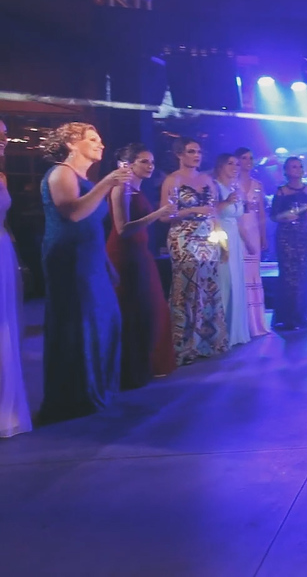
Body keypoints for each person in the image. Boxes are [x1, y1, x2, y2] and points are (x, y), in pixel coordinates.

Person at [38, 122, 132, 422]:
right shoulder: (61, 173)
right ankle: (76, 396)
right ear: (71, 144)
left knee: (105, 320)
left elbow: (92, 226)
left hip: (91, 261)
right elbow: (74, 213)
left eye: (100, 139)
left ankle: (98, 389)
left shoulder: (85, 179)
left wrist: (105, 262)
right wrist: (107, 183)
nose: (100, 144)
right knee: (78, 323)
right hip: (70, 260)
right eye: (92, 139)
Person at [106, 143, 176, 388]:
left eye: (152, 162)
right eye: (144, 161)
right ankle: (131, 370)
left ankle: (147, 365)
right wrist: (159, 213)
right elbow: (123, 229)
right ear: (129, 164)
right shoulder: (121, 189)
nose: (150, 166)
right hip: (126, 254)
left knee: (150, 307)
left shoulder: (136, 189)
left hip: (140, 252)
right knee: (133, 308)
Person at [162, 138, 228, 364]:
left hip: (207, 239)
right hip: (183, 238)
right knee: (187, 290)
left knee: (209, 287)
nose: (197, 155)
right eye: (191, 151)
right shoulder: (172, 180)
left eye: (199, 151)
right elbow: (164, 216)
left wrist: (221, 241)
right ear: (179, 154)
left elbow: (214, 212)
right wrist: (192, 210)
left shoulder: (208, 179)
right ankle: (183, 345)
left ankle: (207, 342)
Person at [1, 119, 32, 437]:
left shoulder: (2, 176)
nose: (3, 140)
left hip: (3, 253)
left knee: (5, 326)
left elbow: (5, 222)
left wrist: (19, 259)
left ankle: (5, 409)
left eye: (5, 135)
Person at [270, 157, 307, 330]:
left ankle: (303, 315)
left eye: (300, 166)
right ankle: (288, 317)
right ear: (286, 171)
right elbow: (273, 216)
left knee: (305, 273)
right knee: (289, 275)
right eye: (293, 167)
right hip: (286, 237)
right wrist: (285, 217)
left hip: (304, 236)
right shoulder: (281, 192)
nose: (297, 169)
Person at [213, 153, 251, 346]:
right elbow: (210, 211)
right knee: (225, 281)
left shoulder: (235, 188)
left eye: (237, 164)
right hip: (220, 236)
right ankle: (221, 333)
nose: (235, 167)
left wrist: (249, 243)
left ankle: (236, 332)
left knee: (236, 281)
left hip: (235, 238)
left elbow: (240, 220)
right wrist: (226, 202)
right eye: (230, 163)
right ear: (220, 166)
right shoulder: (214, 186)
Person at [235, 147, 270, 337]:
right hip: (235, 230)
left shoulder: (258, 184)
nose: (248, 161)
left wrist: (264, 235)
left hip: (254, 231)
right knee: (238, 274)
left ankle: (256, 322)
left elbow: (262, 213)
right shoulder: (231, 183)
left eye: (250, 158)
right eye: (243, 158)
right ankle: (240, 323)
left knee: (253, 275)